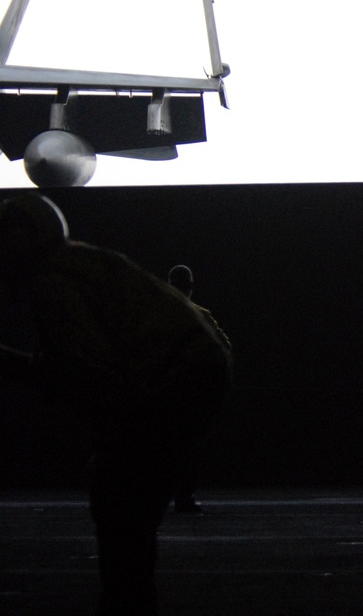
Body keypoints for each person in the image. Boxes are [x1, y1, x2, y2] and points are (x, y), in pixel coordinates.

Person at [0, 193, 232, 616]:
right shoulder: (80, 261)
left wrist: (107, 443)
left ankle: (128, 603)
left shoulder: (51, 280)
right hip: (191, 370)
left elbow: (88, 370)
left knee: (120, 506)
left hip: (171, 378)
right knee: (129, 506)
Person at [166, 264, 232, 513]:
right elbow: (224, 346)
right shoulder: (200, 315)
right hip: (190, 392)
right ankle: (183, 496)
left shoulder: (159, 312)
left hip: (166, 389)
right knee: (189, 447)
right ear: (190, 287)